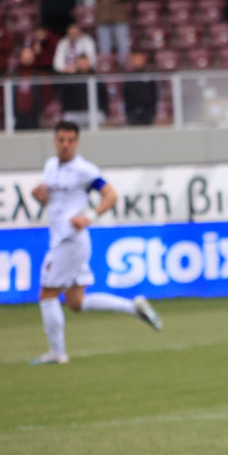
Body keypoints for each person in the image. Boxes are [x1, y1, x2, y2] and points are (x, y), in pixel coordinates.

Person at [29, 120, 162, 365]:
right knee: (76, 302)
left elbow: (111, 195)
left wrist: (89, 217)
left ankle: (57, 353)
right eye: (61, 140)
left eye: (70, 140)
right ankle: (133, 307)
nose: (66, 145)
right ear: (54, 141)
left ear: (77, 143)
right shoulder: (50, 167)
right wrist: (39, 197)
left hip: (70, 240)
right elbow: (54, 203)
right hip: (64, 239)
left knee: (47, 294)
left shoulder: (84, 170)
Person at [122, 50, 158, 125]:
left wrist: (150, 110)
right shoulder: (129, 77)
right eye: (135, 59)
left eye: (139, 59)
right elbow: (126, 95)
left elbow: (153, 94)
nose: (137, 61)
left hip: (148, 111)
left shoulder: (149, 76)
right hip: (132, 111)